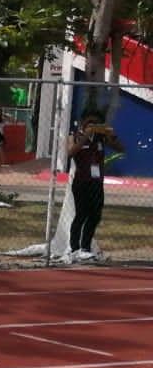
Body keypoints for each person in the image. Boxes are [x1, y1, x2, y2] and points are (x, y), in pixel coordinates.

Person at [66, 108, 124, 262]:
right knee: (81, 214)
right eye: (89, 121)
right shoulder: (75, 136)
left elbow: (120, 148)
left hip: (96, 183)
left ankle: (85, 247)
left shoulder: (101, 138)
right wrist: (86, 136)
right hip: (81, 182)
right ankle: (74, 248)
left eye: (95, 122)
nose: (92, 124)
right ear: (83, 122)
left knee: (95, 215)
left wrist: (111, 135)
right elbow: (70, 153)